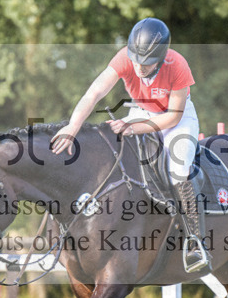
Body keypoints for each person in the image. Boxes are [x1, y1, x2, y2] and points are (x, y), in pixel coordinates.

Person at [50, 17, 209, 272]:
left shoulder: (178, 65)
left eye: (146, 63)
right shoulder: (125, 58)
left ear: (161, 57)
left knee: (178, 170)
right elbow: (94, 93)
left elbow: (173, 116)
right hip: (141, 112)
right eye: (135, 59)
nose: (138, 66)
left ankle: (195, 240)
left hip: (176, 119)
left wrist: (133, 127)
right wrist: (73, 126)